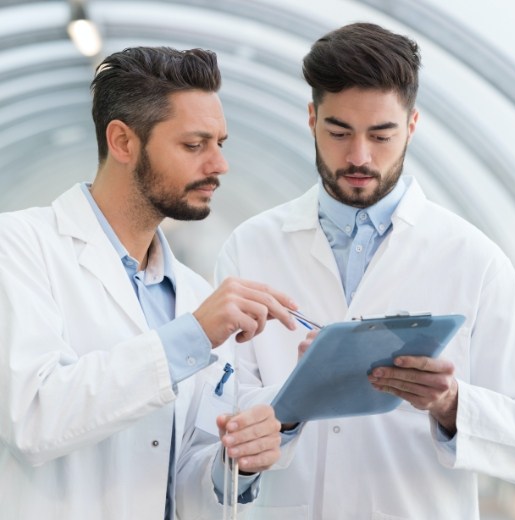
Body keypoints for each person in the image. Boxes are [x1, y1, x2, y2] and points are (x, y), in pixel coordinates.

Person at [213, 22, 515, 519]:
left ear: (412, 125)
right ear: (311, 119)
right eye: (338, 131)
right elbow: (218, 425)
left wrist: (451, 404)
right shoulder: (250, 247)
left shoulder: (474, 259)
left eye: (381, 134)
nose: (359, 156)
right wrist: (294, 399)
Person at [0, 46, 300, 520]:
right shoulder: (18, 247)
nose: (219, 165)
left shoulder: (195, 294)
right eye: (194, 145)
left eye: (221, 143)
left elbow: (179, 474)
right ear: (122, 142)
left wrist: (236, 465)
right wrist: (192, 336)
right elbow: (34, 418)